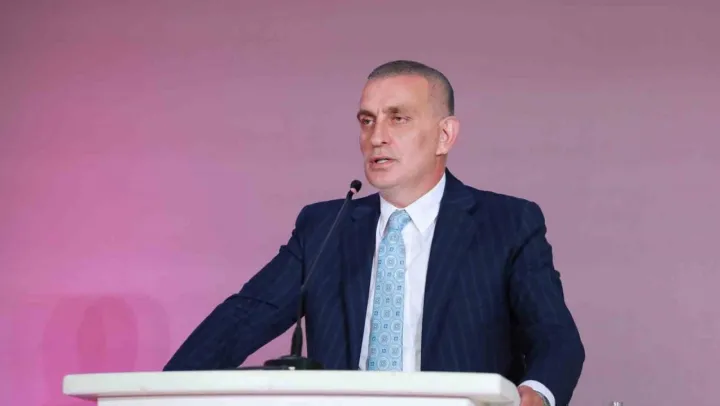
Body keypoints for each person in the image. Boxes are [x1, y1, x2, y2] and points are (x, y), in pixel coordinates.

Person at [163, 60, 585, 406]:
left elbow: (555, 338)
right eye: (367, 121)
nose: (377, 137)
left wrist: (537, 394)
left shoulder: (507, 223)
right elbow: (242, 319)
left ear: (445, 135)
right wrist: (159, 392)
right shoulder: (324, 228)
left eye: (398, 119)